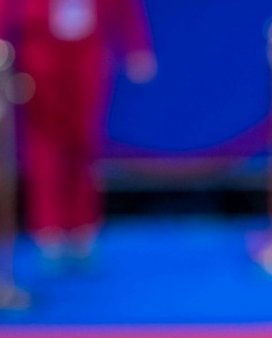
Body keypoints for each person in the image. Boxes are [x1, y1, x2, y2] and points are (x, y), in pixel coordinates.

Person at [0, 0, 156, 262]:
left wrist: (137, 45)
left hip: (88, 51)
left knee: (85, 142)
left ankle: (83, 229)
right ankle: (49, 232)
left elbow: (123, 6)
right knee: (44, 144)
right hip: (41, 49)